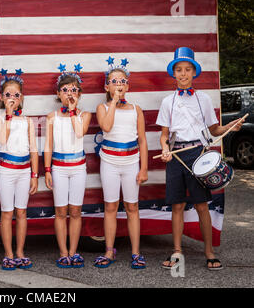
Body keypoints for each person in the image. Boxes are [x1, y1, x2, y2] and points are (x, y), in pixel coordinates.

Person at [156, 47, 243, 271]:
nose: (183, 73)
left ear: (194, 72)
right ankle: (177, 251)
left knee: (202, 205)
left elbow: (215, 130)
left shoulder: (204, 99)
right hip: (176, 156)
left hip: (198, 155)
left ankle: (209, 252)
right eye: (179, 69)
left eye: (187, 69)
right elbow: (164, 135)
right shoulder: (168, 102)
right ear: (173, 73)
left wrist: (231, 127)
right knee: (177, 205)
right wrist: (165, 148)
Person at [94, 57, 148, 269]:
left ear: (128, 85)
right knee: (110, 206)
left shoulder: (136, 109)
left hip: (131, 161)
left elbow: (142, 139)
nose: (119, 84)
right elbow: (106, 127)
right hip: (109, 161)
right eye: (114, 81)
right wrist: (114, 103)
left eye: (122, 81)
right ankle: (109, 250)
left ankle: (135, 252)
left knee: (132, 206)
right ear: (106, 86)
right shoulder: (102, 107)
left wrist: (143, 168)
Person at [0, 69, 38, 270]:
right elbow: (3, 139)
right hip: (6, 171)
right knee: (7, 212)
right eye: (8, 95)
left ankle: (20, 251)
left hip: (24, 171)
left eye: (16, 95)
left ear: (21, 98)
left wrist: (35, 175)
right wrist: (8, 116)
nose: (12, 98)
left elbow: (34, 149)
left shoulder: (27, 121)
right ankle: (8, 253)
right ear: (1, 97)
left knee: (22, 212)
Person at [44, 64, 92, 268]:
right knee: (61, 211)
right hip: (59, 167)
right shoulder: (52, 117)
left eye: (73, 90)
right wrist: (47, 169)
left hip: (78, 167)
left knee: (75, 210)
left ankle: (74, 251)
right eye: (65, 90)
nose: (69, 93)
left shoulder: (84, 115)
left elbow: (79, 133)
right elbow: (47, 146)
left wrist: (73, 112)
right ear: (58, 94)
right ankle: (63, 251)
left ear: (79, 94)